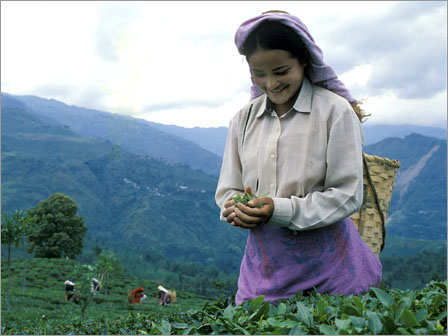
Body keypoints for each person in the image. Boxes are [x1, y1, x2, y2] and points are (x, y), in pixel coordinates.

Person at [215, 10, 381, 305]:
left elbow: (347, 195)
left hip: (333, 274)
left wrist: (277, 210)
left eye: (281, 71)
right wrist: (235, 208)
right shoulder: (242, 120)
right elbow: (229, 188)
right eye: (259, 74)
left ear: (304, 60)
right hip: (263, 275)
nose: (271, 83)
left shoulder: (335, 112)